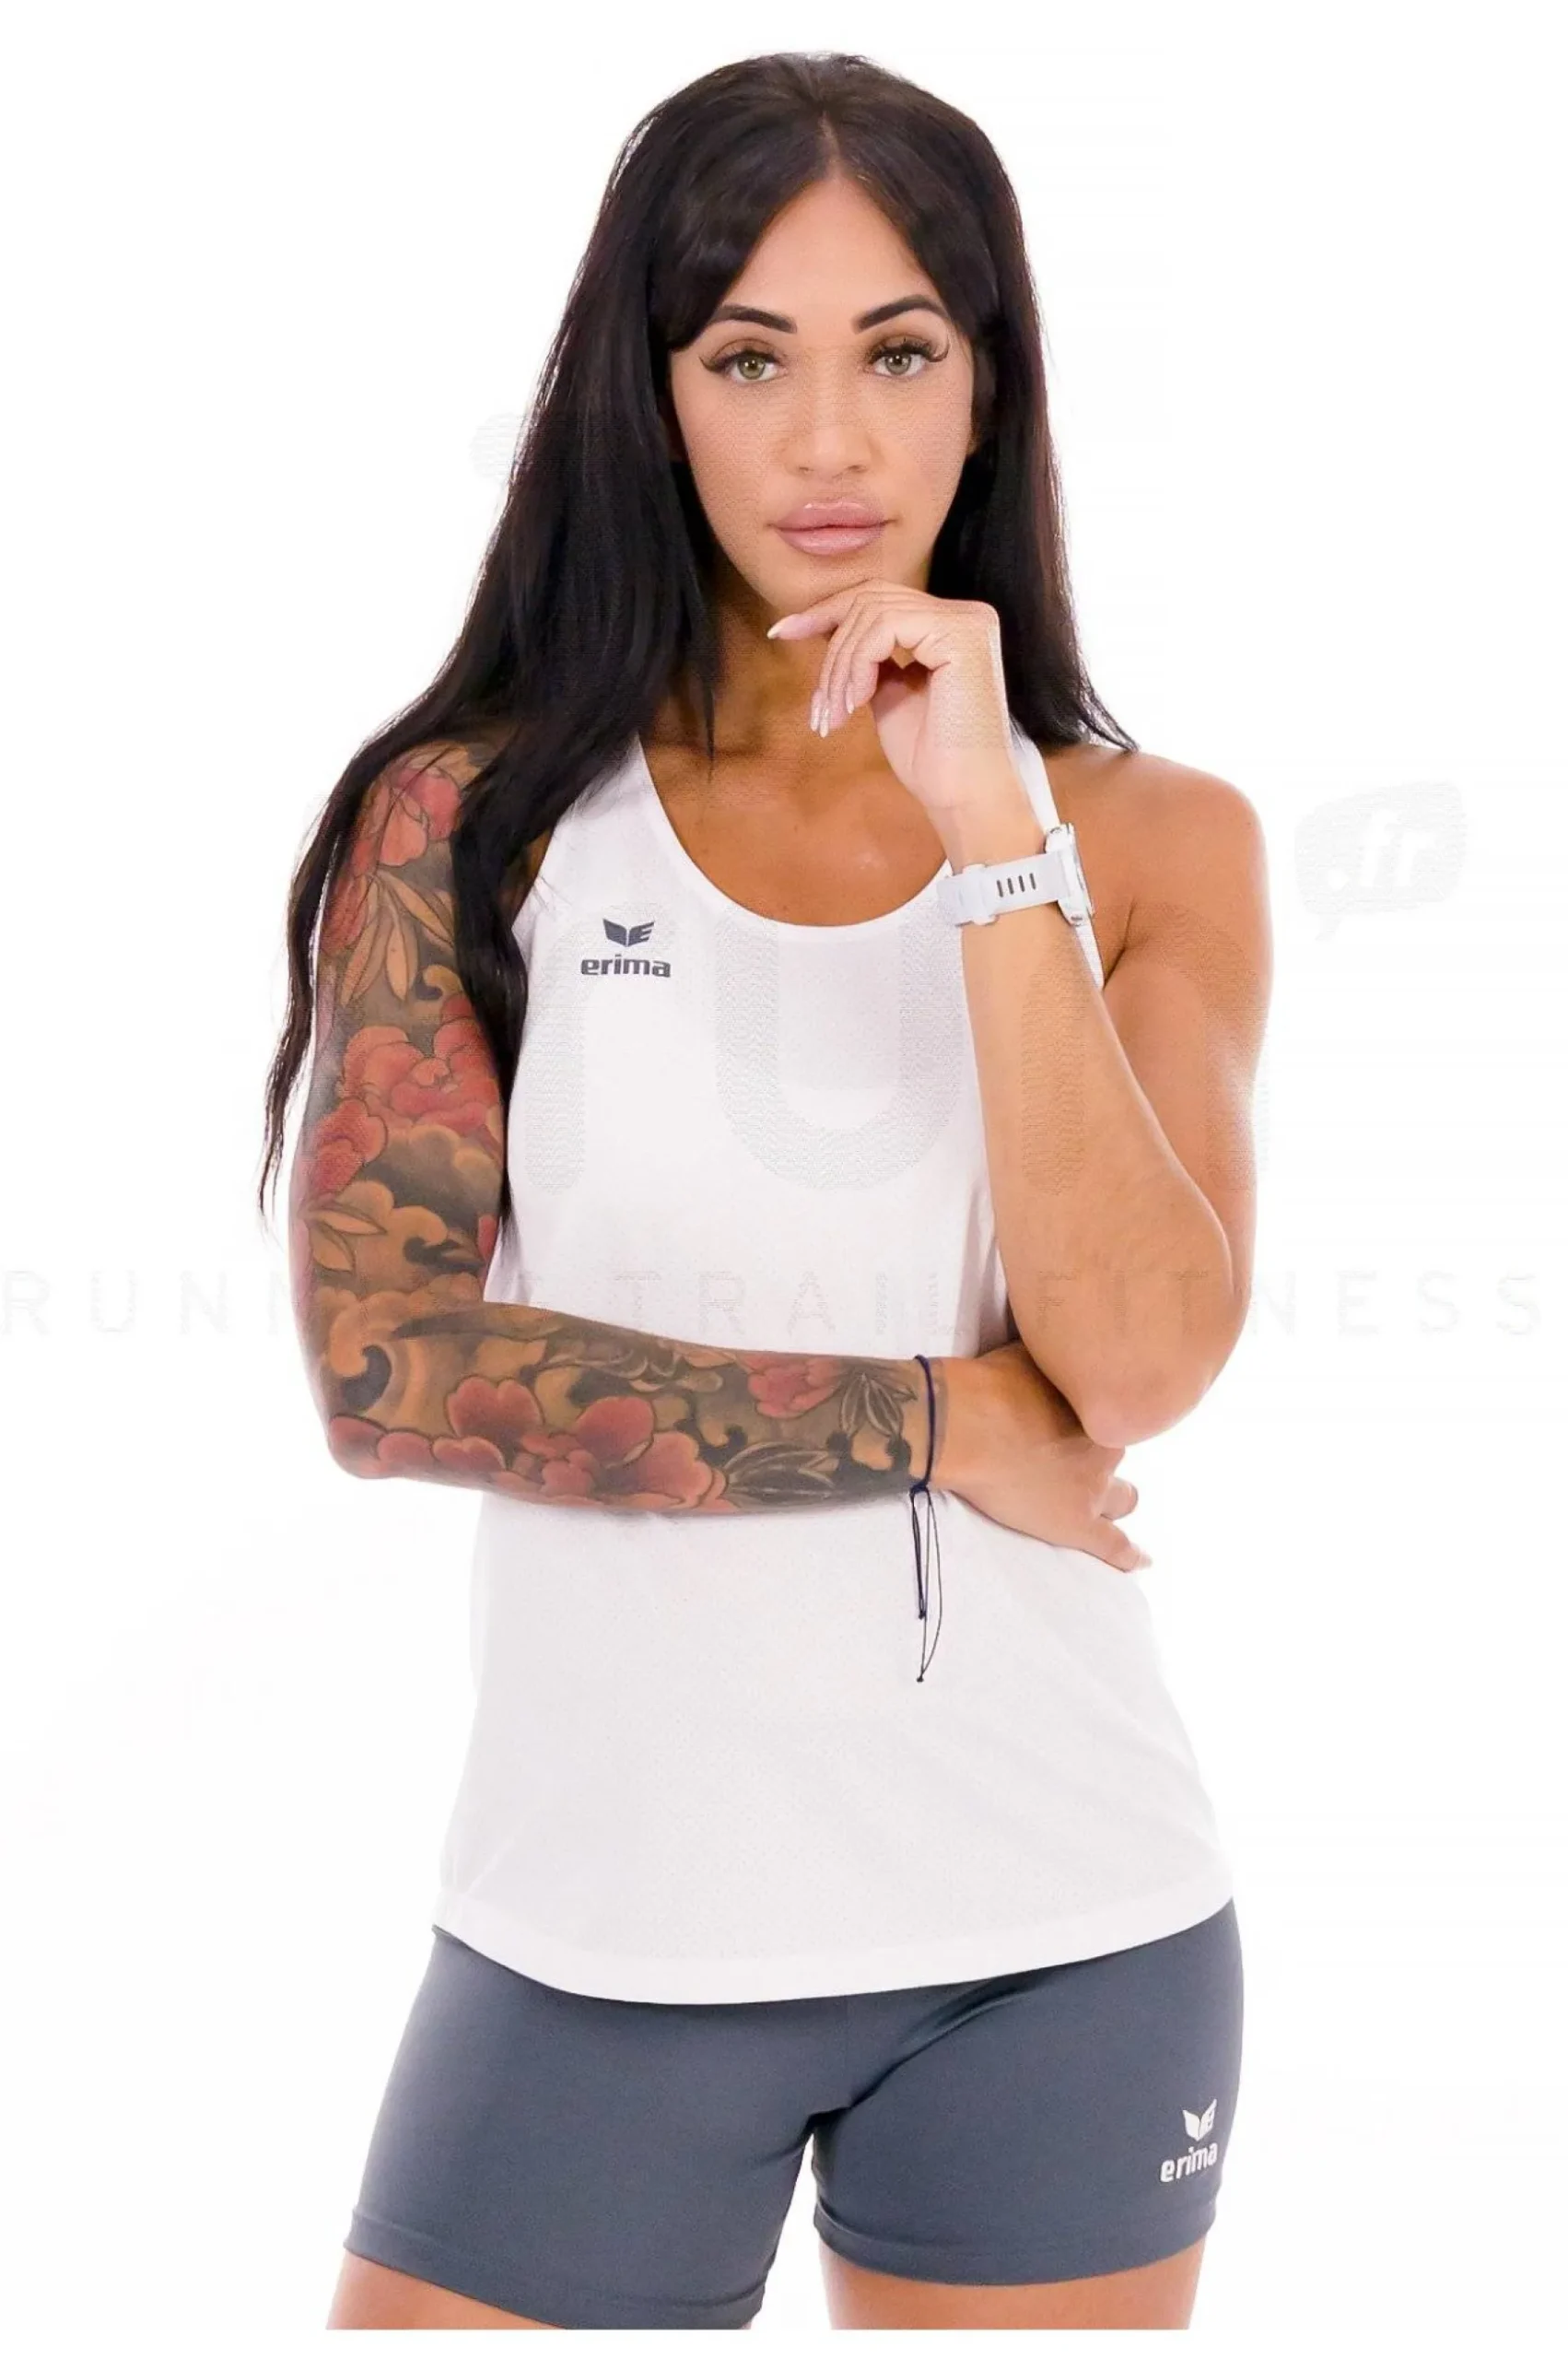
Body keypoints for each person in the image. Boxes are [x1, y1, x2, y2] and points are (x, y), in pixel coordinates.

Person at [259, 51, 1270, 2333]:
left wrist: (990, 828)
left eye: (895, 352)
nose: (829, 441)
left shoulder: (1147, 838)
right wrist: (939, 1415)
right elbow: (389, 1372)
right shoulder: (473, 822)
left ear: (986, 388)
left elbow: (1133, 1362)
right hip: (596, 1932)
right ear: (650, 397)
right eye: (747, 358)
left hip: (1061, 1933)